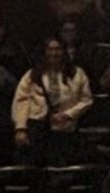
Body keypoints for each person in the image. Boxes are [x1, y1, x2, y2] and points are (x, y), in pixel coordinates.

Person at [11, 38, 94, 167]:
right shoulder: (33, 74)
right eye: (50, 49)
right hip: (38, 128)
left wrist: (68, 114)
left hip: (64, 129)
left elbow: (86, 100)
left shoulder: (77, 73)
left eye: (57, 49)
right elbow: (21, 101)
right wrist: (20, 128)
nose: (54, 53)